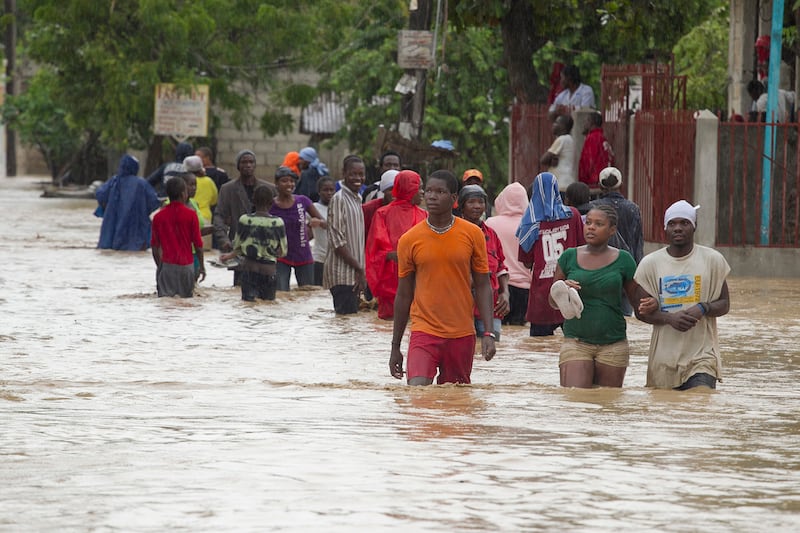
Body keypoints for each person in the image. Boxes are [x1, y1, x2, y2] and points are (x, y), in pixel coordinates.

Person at [389, 170, 496, 385]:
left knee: (455, 404)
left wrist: (488, 333)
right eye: (428, 191)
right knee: (417, 395)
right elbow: (403, 294)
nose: (432, 196)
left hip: (461, 333)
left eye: (440, 191)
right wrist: (395, 347)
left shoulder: (472, 234)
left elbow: (484, 286)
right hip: (423, 331)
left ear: (454, 199)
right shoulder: (409, 240)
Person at [634, 200, 731, 390]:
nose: (678, 228)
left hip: (702, 356)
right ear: (665, 228)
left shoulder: (712, 260)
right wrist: (669, 318)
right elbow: (641, 312)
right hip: (663, 360)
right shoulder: (650, 264)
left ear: (694, 226)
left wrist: (704, 308)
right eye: (672, 224)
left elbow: (725, 304)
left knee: (698, 404)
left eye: (684, 223)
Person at [548, 204, 642, 388]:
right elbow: (552, 302)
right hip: (576, 341)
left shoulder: (624, 259)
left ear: (612, 230)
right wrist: (562, 289)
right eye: (588, 222)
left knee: (607, 405)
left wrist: (654, 306)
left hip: (613, 343)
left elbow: (637, 302)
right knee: (576, 399)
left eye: (598, 224)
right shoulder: (568, 257)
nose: (591, 227)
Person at [516, 172, 585, 336]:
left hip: (542, 295)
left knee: (538, 348)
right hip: (571, 289)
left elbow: (526, 262)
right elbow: (582, 248)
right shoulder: (572, 214)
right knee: (575, 344)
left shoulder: (529, 222)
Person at [365, 169, 426, 320]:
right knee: (388, 327)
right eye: (419, 188)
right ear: (409, 189)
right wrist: (392, 255)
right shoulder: (382, 214)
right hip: (390, 283)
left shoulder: (424, 215)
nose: (423, 192)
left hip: (418, 282)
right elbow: (374, 251)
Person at [213, 150, 276, 284]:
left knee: (267, 293)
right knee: (241, 291)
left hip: (265, 250)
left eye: (251, 162)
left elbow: (278, 217)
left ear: (255, 165)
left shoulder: (269, 189)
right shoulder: (227, 189)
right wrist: (223, 239)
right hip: (239, 249)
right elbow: (219, 216)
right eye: (244, 162)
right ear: (238, 166)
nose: (248, 165)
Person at [219, 185, 288, 302]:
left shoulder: (244, 220)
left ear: (253, 201)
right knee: (267, 307)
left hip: (250, 269)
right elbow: (283, 252)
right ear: (272, 202)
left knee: (248, 307)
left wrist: (228, 256)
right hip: (269, 271)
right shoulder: (278, 222)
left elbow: (238, 246)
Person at [459, 184, 510, 340]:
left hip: (491, 306)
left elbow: (501, 266)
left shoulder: (491, 234)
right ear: (461, 206)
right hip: (461, 307)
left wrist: (505, 293)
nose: (477, 206)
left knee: (492, 352)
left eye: (480, 202)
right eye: (471, 202)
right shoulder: (454, 232)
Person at [323, 155, 367, 314]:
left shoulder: (358, 198)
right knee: (345, 324)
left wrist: (361, 271)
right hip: (342, 275)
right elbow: (337, 242)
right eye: (353, 174)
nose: (358, 178)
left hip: (354, 275)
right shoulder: (338, 199)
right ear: (344, 173)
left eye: (361, 174)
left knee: (348, 326)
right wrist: (359, 268)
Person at [270, 166, 325, 291]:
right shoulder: (271, 205)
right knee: (281, 294)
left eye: (292, 181)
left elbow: (325, 223)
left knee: (307, 294)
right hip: (281, 256)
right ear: (276, 184)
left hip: (303, 255)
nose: (289, 184)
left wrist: (317, 222)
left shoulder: (303, 201)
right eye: (284, 181)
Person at [485, 182, 531, 326]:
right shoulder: (531, 225)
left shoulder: (490, 223)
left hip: (500, 288)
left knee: (500, 334)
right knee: (519, 336)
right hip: (525, 290)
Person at [150, 177, 204, 298]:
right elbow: (198, 245)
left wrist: (160, 267)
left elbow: (154, 247)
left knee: (166, 305)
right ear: (183, 194)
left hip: (167, 266)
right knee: (185, 304)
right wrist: (202, 267)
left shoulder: (158, 217)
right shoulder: (191, 215)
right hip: (187, 267)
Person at [95, 154, 161, 251]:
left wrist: (110, 208)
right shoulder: (141, 184)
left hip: (112, 226)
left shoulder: (113, 182)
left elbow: (100, 195)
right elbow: (154, 202)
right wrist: (142, 210)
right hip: (136, 228)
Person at [183, 155, 218, 251]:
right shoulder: (209, 181)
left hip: (186, 219)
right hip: (205, 220)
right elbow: (215, 199)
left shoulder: (184, 182)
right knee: (205, 251)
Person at [540, 114, 576, 193]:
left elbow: (543, 159)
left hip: (560, 184)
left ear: (563, 127)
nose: (553, 125)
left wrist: (550, 160)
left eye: (556, 123)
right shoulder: (570, 139)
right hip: (568, 182)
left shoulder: (561, 139)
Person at [578, 111, 614, 189]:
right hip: (604, 179)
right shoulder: (601, 137)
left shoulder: (592, 138)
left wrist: (583, 181)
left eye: (586, 121)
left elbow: (588, 161)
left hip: (594, 182)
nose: (584, 123)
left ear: (592, 122)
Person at [311, 176, 335, 286]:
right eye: (326, 190)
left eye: (331, 190)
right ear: (319, 192)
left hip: (336, 259)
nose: (329, 193)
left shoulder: (339, 208)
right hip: (319, 258)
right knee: (318, 291)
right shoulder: (314, 208)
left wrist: (321, 223)